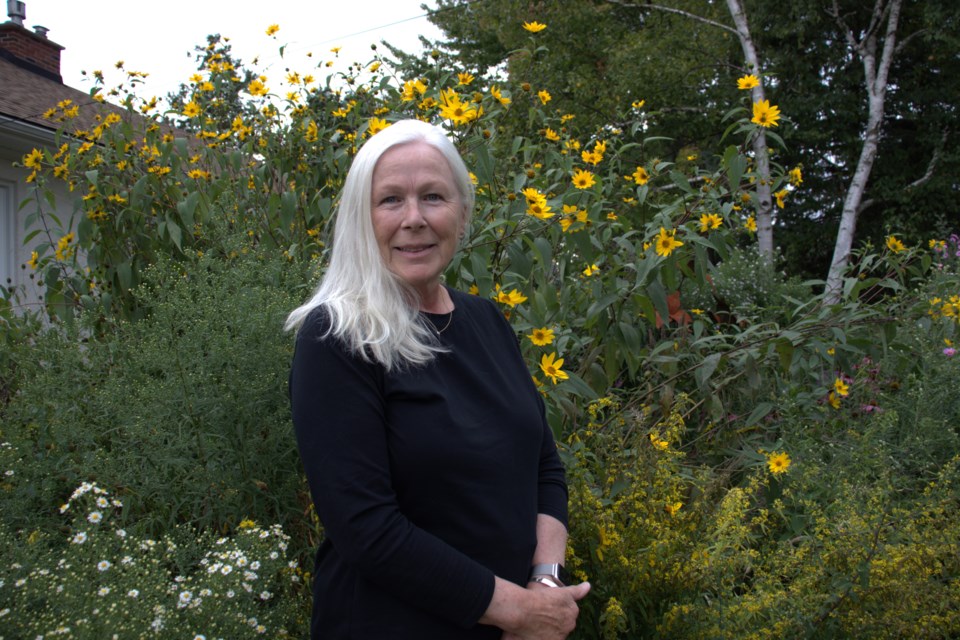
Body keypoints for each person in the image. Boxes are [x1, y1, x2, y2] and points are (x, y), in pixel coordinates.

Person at [286, 119, 590, 639]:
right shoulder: (337, 338)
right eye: (390, 201)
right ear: (361, 218)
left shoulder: (488, 322)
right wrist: (519, 612)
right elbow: (367, 530)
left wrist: (544, 583)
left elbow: (544, 467)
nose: (414, 219)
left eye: (433, 197)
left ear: (463, 213)